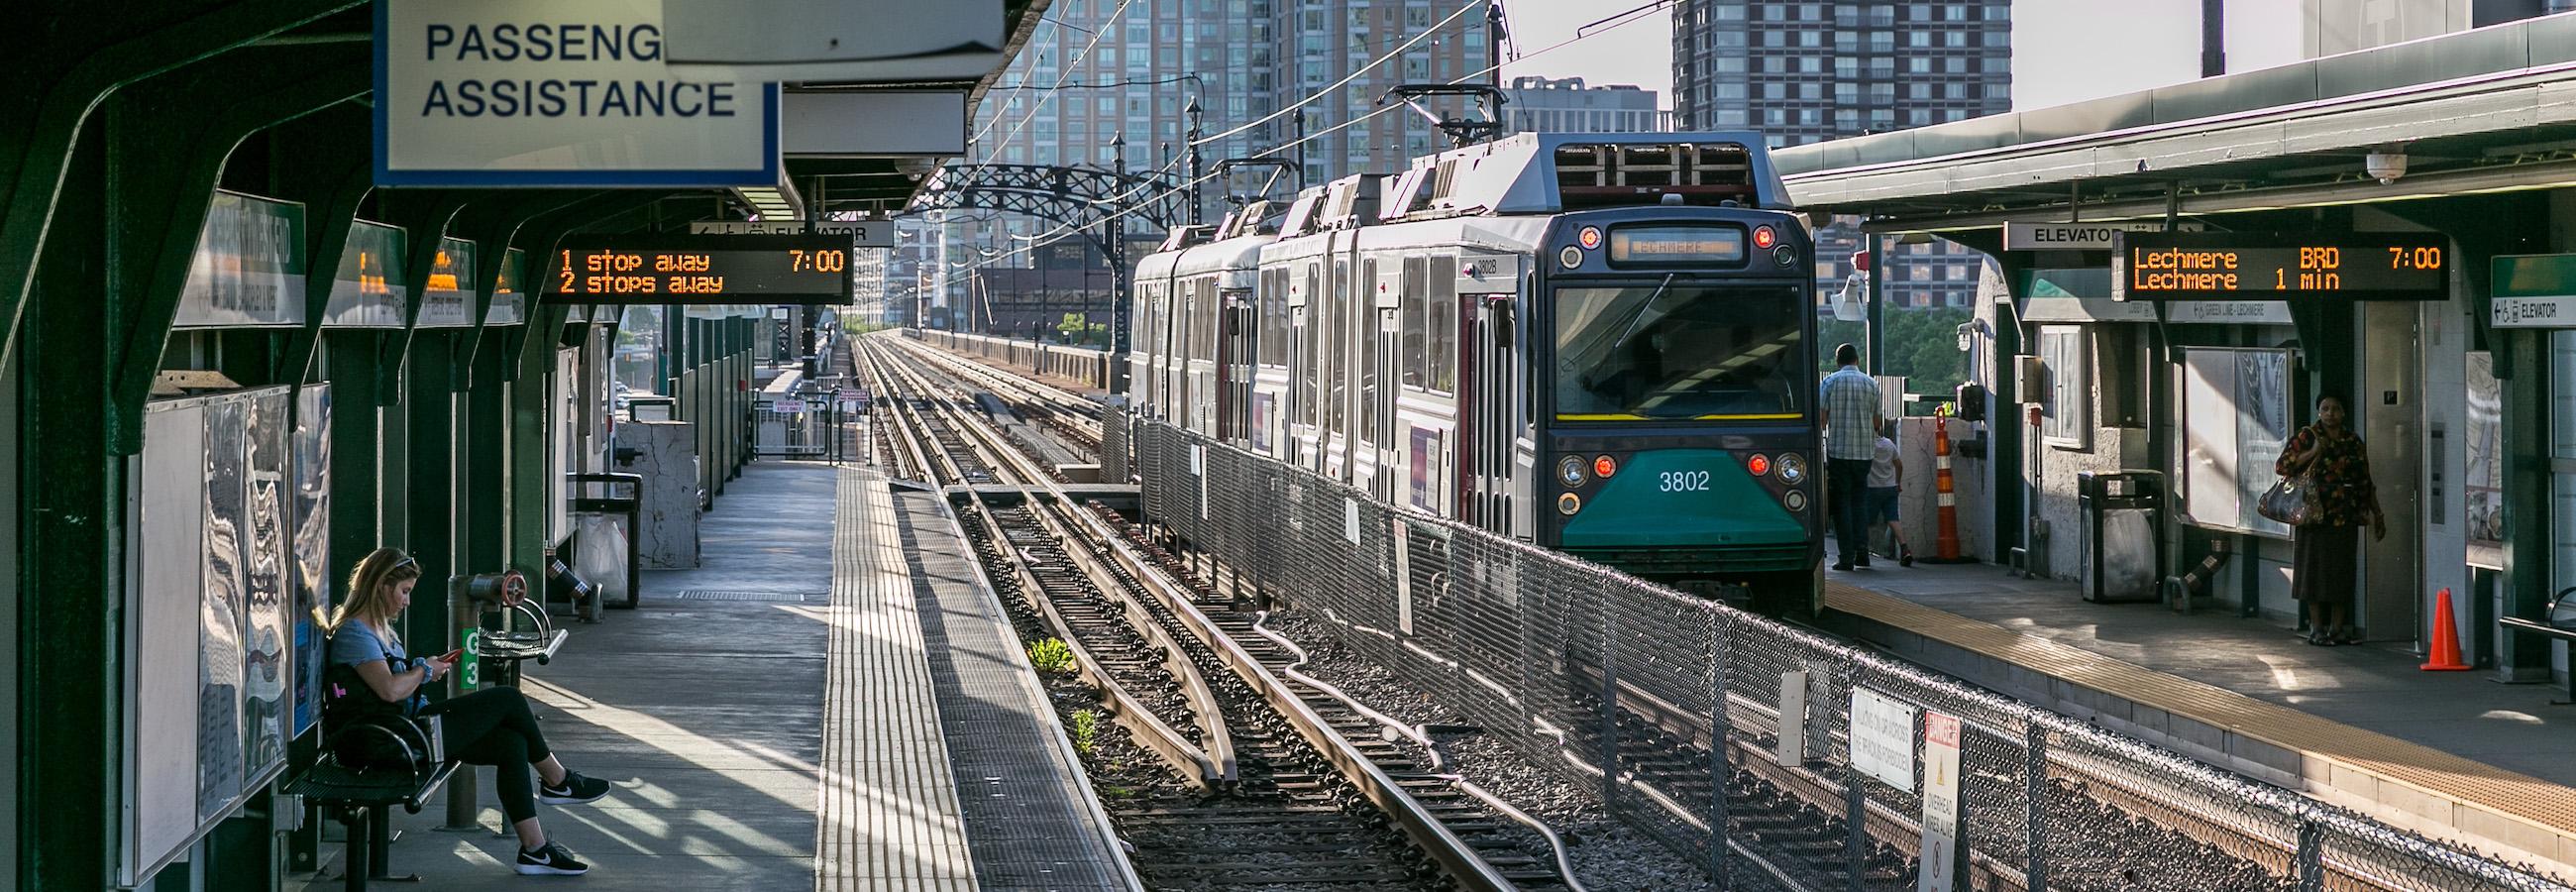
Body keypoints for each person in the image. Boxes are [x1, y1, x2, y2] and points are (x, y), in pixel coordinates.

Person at [324, 548, 613, 876]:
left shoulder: (378, 630)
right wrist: (423, 671)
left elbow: (392, 687)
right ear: (380, 587)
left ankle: (535, 851)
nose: (406, 602)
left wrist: (423, 668)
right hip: (388, 741)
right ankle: (558, 780)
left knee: (510, 742)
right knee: (507, 698)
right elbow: (389, 690)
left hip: (402, 730)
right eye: (403, 592)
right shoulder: (354, 633)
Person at [2274, 395, 2386, 646]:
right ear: (2319, 412)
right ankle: (2316, 627)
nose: (2330, 413)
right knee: (2314, 570)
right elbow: (2283, 466)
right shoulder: (2307, 437)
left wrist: (2376, 512)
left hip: (2344, 513)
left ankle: (2337, 627)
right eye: (2325, 409)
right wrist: (2313, 452)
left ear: (2343, 413)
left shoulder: (2352, 441)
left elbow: (2364, 479)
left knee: (2341, 570)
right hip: (2313, 514)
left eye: (2335, 408)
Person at [1819, 343, 1883, 571]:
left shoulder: (1829, 382)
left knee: (1841, 505)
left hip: (1838, 452)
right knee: (1859, 502)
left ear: (1838, 361)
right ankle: (1863, 553)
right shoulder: (1871, 383)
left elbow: (1822, 418)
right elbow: (1877, 423)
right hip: (1864, 454)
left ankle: (1846, 557)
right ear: (1857, 359)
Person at [1866, 420, 1915, 567]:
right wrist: (1897, 482)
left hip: (1871, 488)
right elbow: (1899, 465)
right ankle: (1905, 549)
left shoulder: (1865, 446)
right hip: (1889, 487)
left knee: (1866, 521)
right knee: (1893, 519)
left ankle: (1862, 550)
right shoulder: (1888, 444)